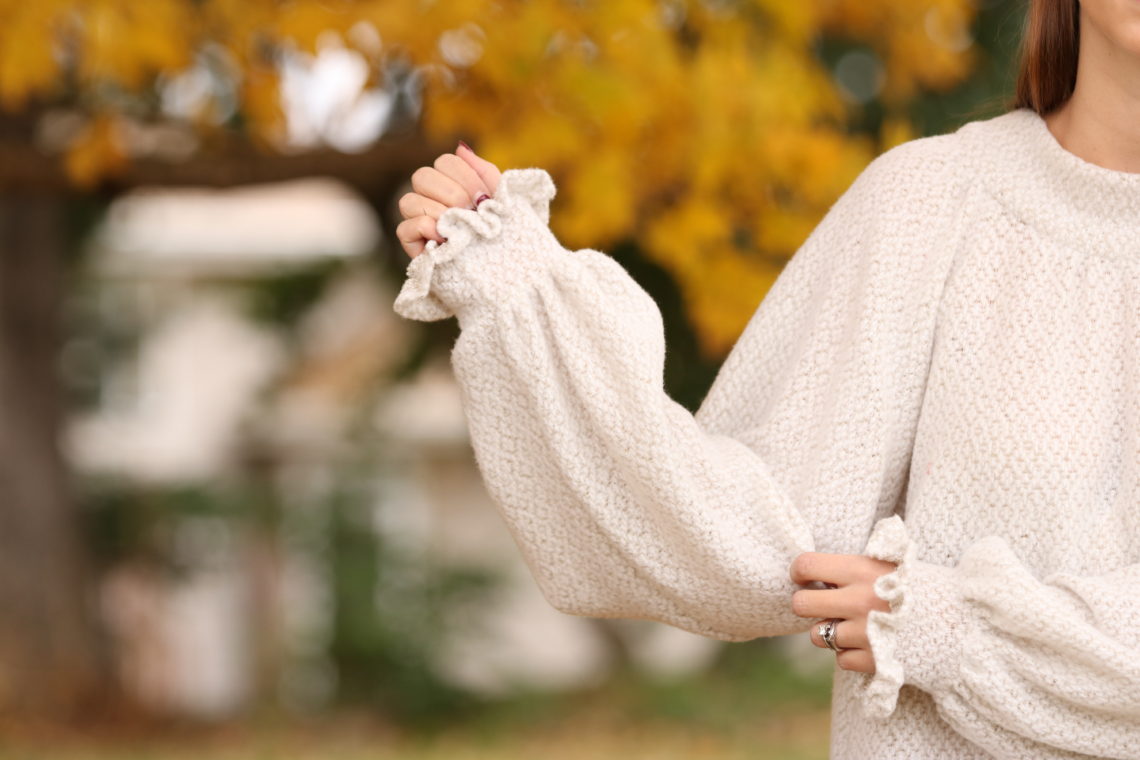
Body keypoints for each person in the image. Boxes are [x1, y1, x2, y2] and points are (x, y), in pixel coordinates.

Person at [391, 1, 1140, 757]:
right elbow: (758, 539)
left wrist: (953, 630)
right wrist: (520, 287)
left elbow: (924, 623)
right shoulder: (930, 204)